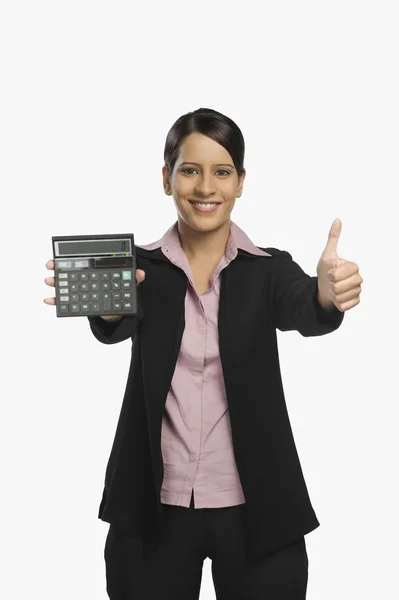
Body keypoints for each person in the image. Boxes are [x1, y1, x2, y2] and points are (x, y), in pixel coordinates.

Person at [44, 107, 363, 599]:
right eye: (189, 170)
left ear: (240, 183)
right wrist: (104, 309)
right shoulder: (137, 267)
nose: (205, 187)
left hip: (258, 506)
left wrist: (326, 294)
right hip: (153, 509)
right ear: (166, 177)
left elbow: (304, 304)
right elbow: (113, 325)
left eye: (222, 172)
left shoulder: (268, 270)